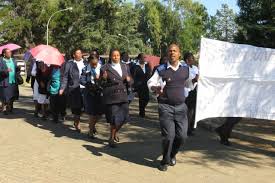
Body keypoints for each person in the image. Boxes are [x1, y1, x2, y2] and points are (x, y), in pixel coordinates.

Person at [147, 44, 195, 171]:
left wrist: (194, 81)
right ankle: (165, 160)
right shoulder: (161, 69)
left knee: (182, 136)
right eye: (170, 51)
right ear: (167, 54)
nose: (172, 53)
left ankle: (172, 154)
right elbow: (151, 82)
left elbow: (188, 83)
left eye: (175, 51)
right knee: (169, 136)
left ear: (179, 54)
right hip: (165, 107)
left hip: (181, 108)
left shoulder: (185, 69)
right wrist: (155, 88)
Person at [100, 49, 132, 147]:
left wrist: (129, 80)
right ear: (110, 56)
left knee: (124, 118)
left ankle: (114, 134)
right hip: (112, 96)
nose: (116, 57)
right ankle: (111, 138)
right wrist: (104, 79)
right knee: (114, 119)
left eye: (117, 55)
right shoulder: (105, 68)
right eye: (114, 55)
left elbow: (130, 81)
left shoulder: (125, 66)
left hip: (123, 95)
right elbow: (101, 84)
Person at [60, 49, 87, 132]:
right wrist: (62, 88)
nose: (79, 54)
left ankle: (90, 125)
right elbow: (65, 77)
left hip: (86, 88)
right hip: (74, 88)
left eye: (80, 53)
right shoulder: (69, 64)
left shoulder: (86, 63)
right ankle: (77, 123)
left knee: (85, 107)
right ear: (74, 55)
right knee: (76, 107)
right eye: (77, 53)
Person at [80, 55, 104, 139]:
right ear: (89, 61)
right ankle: (90, 132)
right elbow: (82, 80)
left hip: (99, 92)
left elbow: (106, 80)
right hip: (89, 93)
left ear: (98, 60)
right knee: (92, 113)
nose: (94, 65)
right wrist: (88, 84)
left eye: (95, 64)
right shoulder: (85, 69)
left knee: (100, 113)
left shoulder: (102, 68)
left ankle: (92, 126)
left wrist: (100, 78)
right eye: (92, 64)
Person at [0, 48, 20, 115]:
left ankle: (10, 108)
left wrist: (18, 68)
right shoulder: (1, 61)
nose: (10, 53)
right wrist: (6, 71)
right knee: (5, 96)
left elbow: (16, 69)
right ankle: (4, 109)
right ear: (4, 54)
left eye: (10, 52)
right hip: (5, 81)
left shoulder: (13, 60)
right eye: (8, 52)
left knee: (12, 95)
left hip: (13, 81)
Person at [183, 52, 199, 136]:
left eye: (193, 58)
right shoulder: (183, 68)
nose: (193, 60)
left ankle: (189, 128)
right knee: (185, 111)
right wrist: (193, 80)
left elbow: (199, 76)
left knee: (191, 111)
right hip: (185, 92)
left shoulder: (195, 68)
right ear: (187, 60)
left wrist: (197, 79)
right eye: (192, 58)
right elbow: (185, 80)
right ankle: (184, 128)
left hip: (193, 91)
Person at [132, 53, 151, 117]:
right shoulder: (135, 66)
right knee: (141, 99)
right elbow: (133, 77)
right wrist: (134, 88)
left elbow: (149, 75)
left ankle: (142, 109)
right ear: (139, 58)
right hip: (139, 85)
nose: (145, 58)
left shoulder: (147, 66)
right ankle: (142, 112)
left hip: (146, 85)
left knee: (147, 98)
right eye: (143, 57)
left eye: (145, 57)